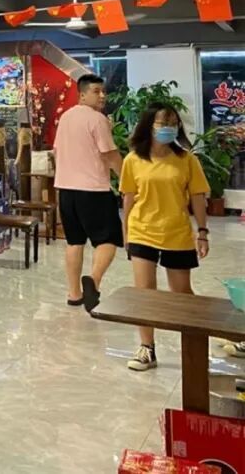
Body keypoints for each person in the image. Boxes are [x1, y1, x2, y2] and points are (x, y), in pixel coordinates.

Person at [119, 104, 210, 371]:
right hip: (142, 230)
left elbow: (197, 197)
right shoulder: (133, 160)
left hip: (176, 232)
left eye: (173, 123)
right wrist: (126, 233)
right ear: (149, 126)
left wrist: (202, 232)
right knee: (145, 293)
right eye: (162, 123)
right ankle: (147, 348)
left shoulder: (187, 160)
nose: (168, 128)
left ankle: (198, 342)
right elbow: (128, 199)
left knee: (181, 294)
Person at [53, 74, 123, 310]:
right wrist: (127, 180)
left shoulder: (65, 118)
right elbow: (110, 154)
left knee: (74, 242)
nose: (102, 96)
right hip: (93, 190)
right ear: (82, 95)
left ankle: (74, 294)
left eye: (103, 91)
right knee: (108, 239)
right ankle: (93, 281)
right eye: (96, 91)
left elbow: (57, 150)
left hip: (66, 190)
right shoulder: (97, 119)